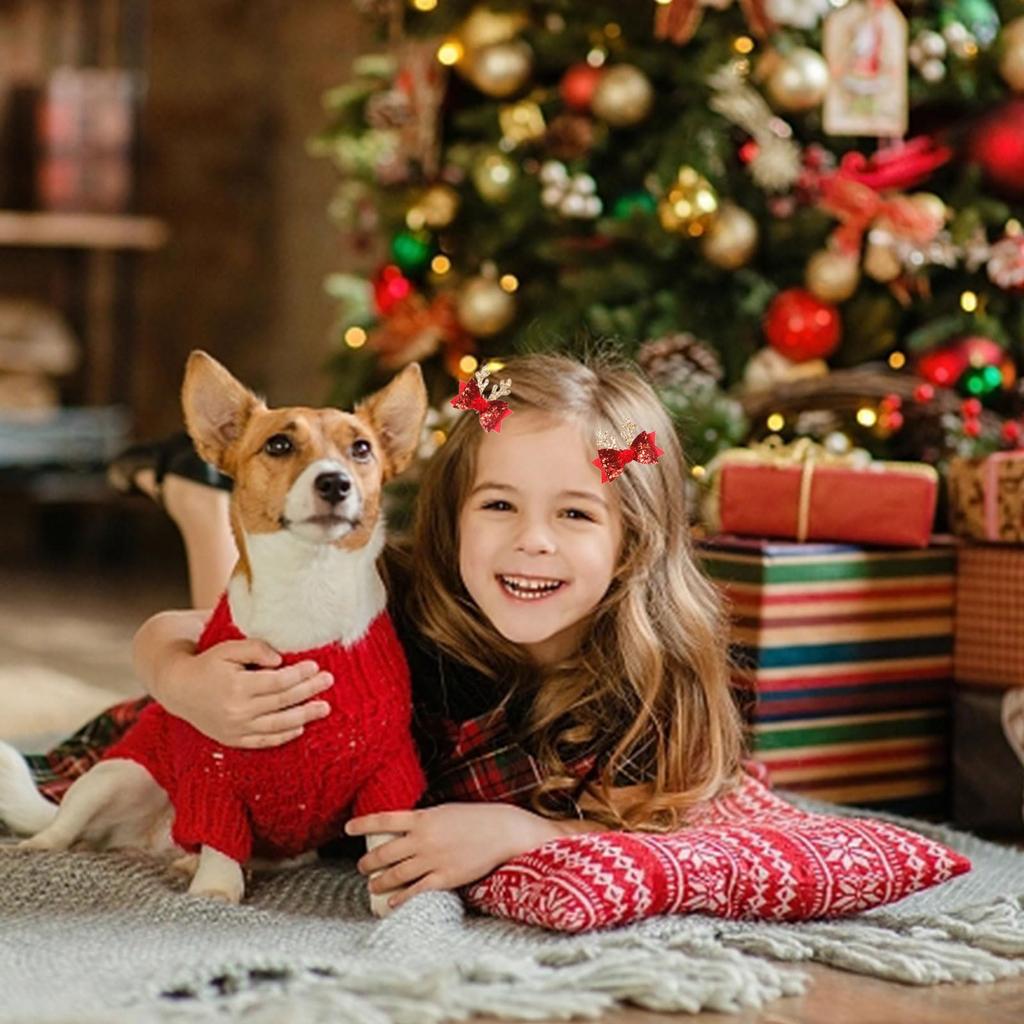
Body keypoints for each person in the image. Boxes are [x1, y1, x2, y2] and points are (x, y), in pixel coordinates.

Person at [22, 353, 746, 909]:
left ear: (636, 537)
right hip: (216, 746)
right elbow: (176, 632)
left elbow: (688, 841)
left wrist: (527, 832)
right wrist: (178, 679)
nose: (533, 541)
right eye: (498, 505)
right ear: (452, 510)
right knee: (265, 605)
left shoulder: (658, 688)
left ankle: (195, 495)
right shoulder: (411, 590)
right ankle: (202, 502)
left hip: (320, 812)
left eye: (576, 513)